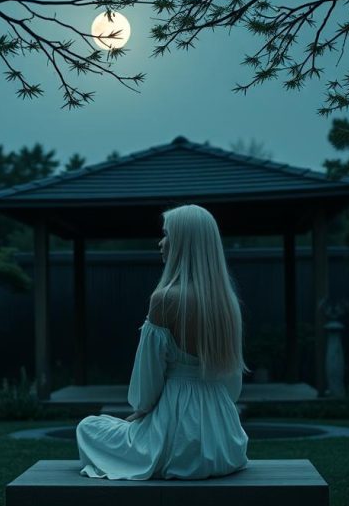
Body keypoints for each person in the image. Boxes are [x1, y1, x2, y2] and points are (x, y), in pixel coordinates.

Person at [76, 204, 250, 480]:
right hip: (225, 443)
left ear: (183, 242)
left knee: (87, 427)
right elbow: (232, 386)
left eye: (166, 234)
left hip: (178, 442)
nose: (160, 242)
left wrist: (142, 410)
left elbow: (148, 380)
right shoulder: (227, 304)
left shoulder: (166, 299)